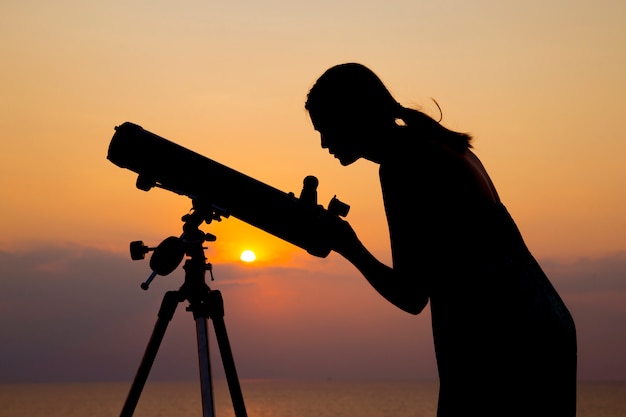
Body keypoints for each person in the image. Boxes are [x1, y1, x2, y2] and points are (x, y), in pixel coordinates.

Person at [304, 63, 577, 416]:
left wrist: (347, 245)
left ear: (353, 116)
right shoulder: (437, 145)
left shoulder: (404, 165)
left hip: (502, 344)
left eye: (327, 128)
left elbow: (411, 294)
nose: (325, 143)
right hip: (540, 328)